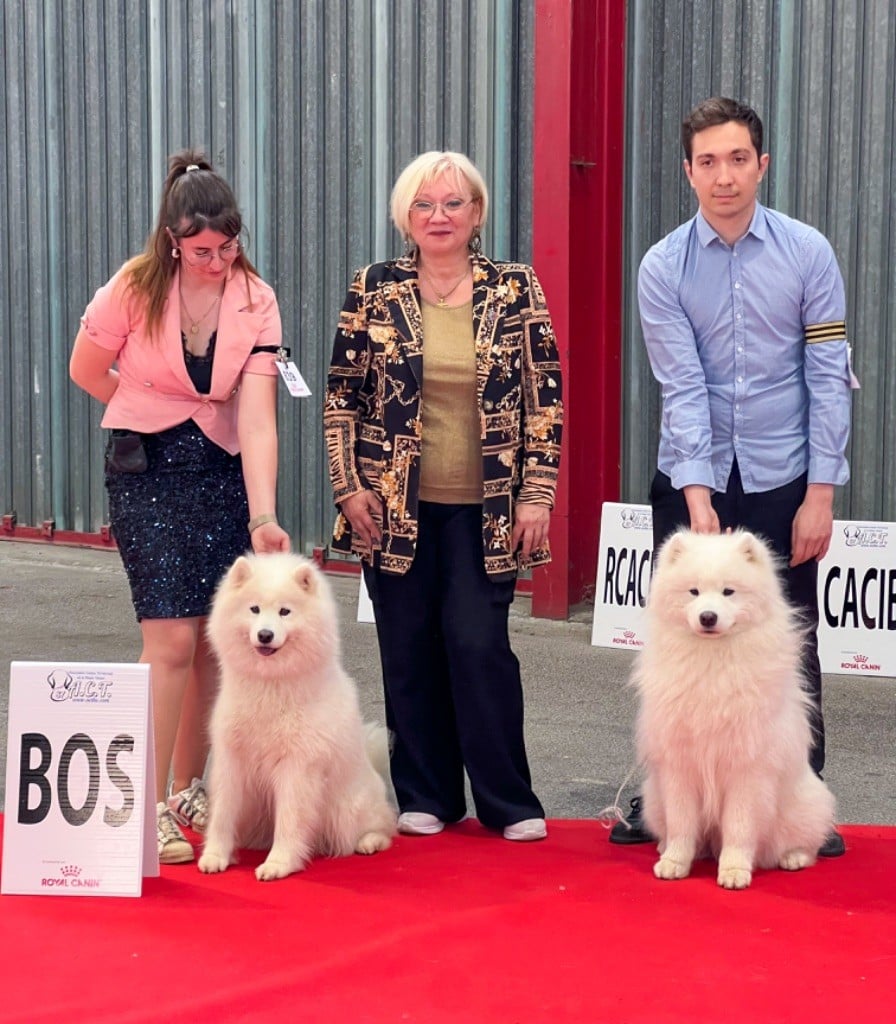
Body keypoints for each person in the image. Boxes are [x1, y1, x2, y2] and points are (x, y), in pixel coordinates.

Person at [611, 97, 854, 857]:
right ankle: (668, 797)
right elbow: (681, 384)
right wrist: (696, 495)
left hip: (787, 476)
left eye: (738, 159)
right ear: (688, 171)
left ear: (762, 165)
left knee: (789, 635)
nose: (724, 176)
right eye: (709, 162)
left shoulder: (809, 253)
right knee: (680, 636)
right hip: (693, 471)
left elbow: (828, 374)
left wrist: (821, 493)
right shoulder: (662, 266)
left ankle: (795, 792)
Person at [324, 151, 563, 842]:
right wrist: (347, 487)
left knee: (478, 644)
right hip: (392, 508)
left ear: (476, 213)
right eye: (424, 205)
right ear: (405, 216)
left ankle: (507, 801)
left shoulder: (514, 287)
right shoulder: (374, 288)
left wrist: (537, 493)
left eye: (453, 203)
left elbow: (544, 399)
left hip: (488, 509)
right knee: (407, 648)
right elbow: (341, 398)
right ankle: (426, 793)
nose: (439, 216)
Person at [70, 150, 290, 864]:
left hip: (223, 473)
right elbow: (84, 370)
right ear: (172, 241)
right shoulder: (131, 287)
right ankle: (140, 808)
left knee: (210, 641)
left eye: (228, 247)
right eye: (202, 251)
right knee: (167, 639)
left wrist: (263, 516)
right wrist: (149, 409)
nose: (217, 262)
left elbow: (258, 417)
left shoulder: (256, 298)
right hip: (147, 471)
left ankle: (188, 791)